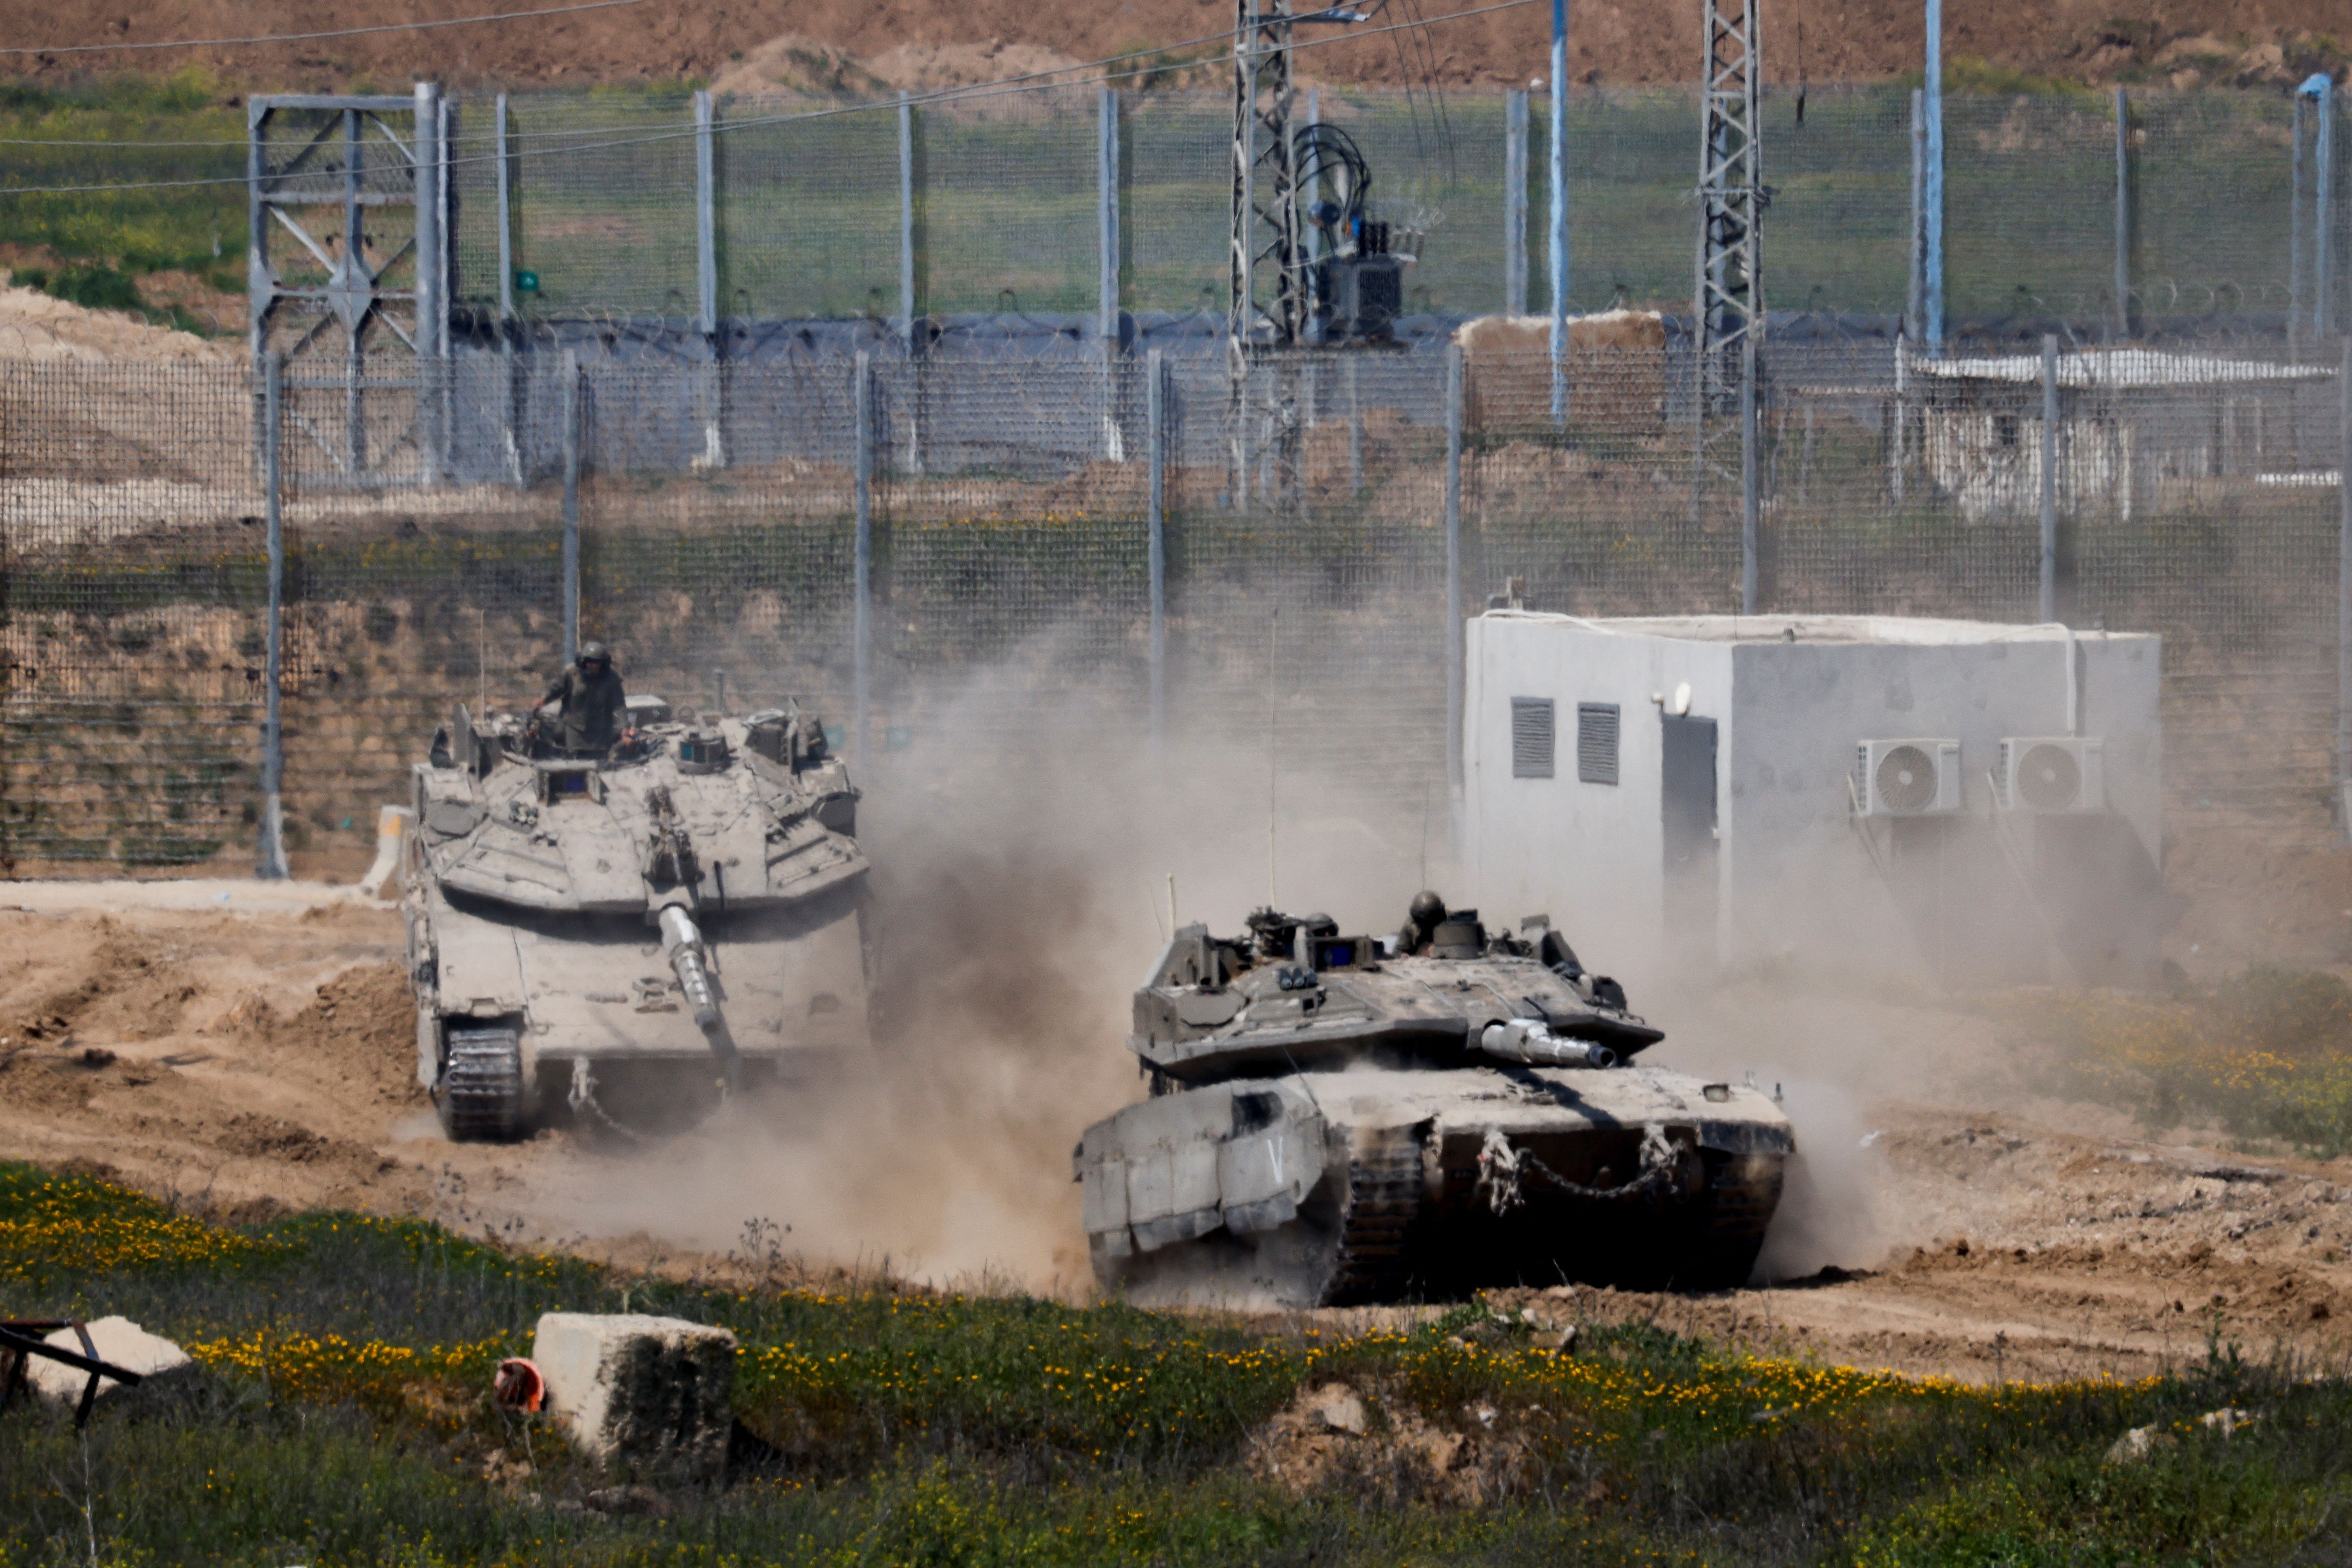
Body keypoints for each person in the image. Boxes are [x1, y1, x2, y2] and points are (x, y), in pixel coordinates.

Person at [539, 641, 629, 755]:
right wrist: (545, 697)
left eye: (597, 662)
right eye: (590, 662)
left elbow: (618, 705)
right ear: (584, 661)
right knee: (573, 758)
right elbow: (556, 687)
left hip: (600, 730)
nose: (594, 666)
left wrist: (624, 726)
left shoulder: (611, 679)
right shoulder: (572, 673)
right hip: (574, 727)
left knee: (599, 760)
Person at [1394, 890, 1447, 957]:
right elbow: (1399, 951)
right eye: (1422, 919)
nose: (1426, 921)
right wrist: (1402, 956)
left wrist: (1438, 947)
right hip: (1420, 962)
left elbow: (1459, 944)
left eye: (1430, 918)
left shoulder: (1450, 922)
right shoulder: (1411, 926)